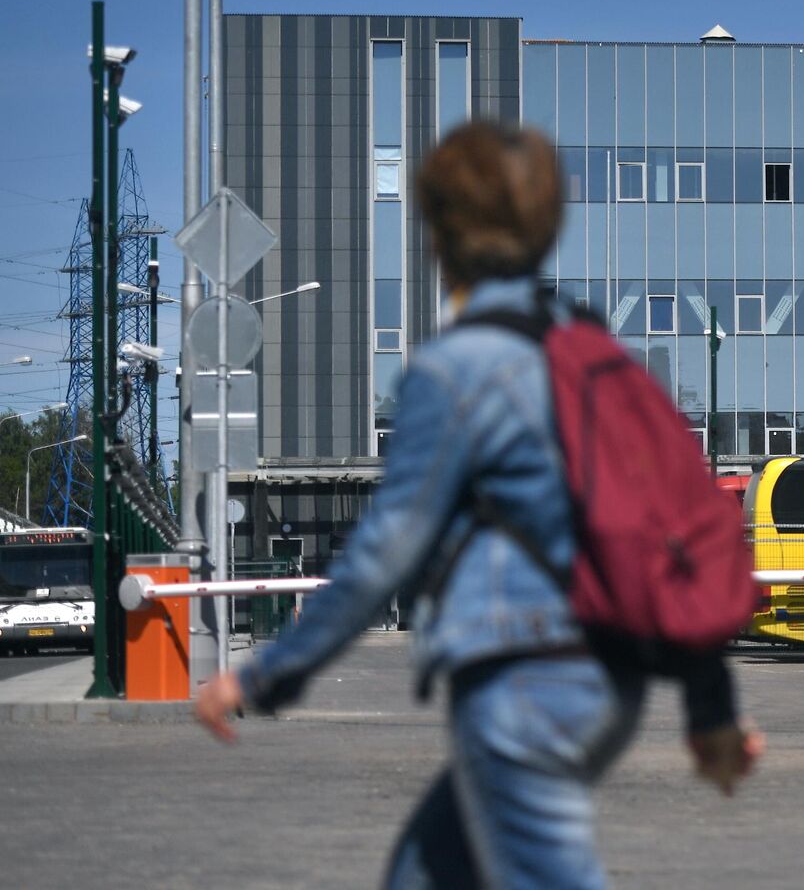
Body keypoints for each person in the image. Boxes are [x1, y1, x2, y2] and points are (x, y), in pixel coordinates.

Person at [195, 121, 759, 888]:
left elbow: (390, 544)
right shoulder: (590, 352)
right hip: (607, 679)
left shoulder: (457, 369)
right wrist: (709, 707)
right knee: (422, 873)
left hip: (524, 682)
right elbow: (668, 525)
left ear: (440, 234)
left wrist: (267, 675)